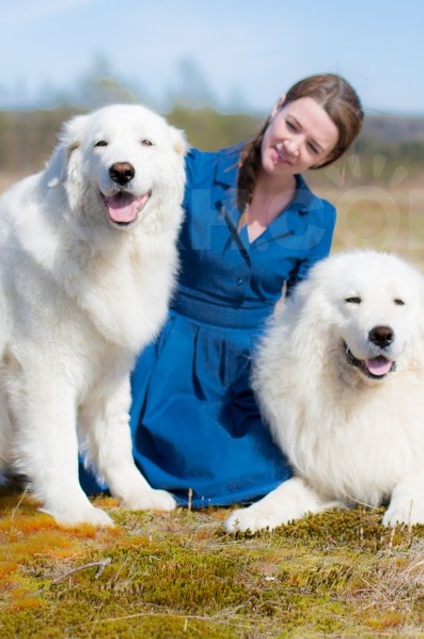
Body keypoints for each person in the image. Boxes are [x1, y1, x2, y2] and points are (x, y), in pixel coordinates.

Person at [97, 73, 364, 508]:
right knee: (103, 458)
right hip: (158, 351)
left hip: (241, 376)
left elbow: (305, 317)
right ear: (278, 106)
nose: (293, 146)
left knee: (255, 467)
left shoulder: (317, 218)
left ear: (328, 157)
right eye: (292, 125)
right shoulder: (192, 170)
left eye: (313, 146)